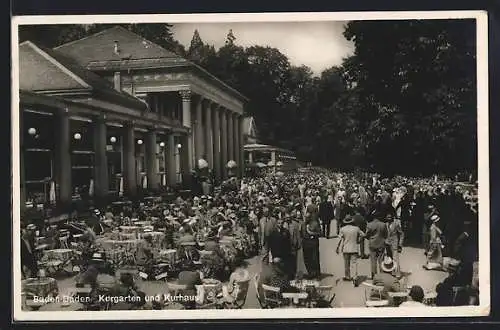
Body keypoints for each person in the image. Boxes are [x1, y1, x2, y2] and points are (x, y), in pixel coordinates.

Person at [336, 215, 365, 284]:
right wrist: (359, 240)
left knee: (346, 263)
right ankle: (355, 277)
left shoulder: (342, 229)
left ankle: (347, 276)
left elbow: (339, 239)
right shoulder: (356, 228)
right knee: (354, 263)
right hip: (354, 247)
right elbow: (363, 235)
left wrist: (337, 247)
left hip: (346, 248)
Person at [366, 212, 389, 278]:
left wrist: (370, 238)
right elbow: (386, 235)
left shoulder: (369, 225)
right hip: (381, 243)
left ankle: (374, 276)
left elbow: (367, 235)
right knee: (381, 260)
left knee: (373, 260)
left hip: (372, 243)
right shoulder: (383, 224)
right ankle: (381, 275)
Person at [302, 214, 322, 278]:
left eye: (307, 217)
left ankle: (317, 273)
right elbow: (301, 233)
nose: (306, 219)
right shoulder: (303, 225)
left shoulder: (315, 224)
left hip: (313, 243)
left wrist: (312, 234)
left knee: (315, 259)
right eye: (305, 217)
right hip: (305, 243)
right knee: (307, 259)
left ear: (310, 218)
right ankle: (310, 273)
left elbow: (320, 233)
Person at [385, 212, 404, 276]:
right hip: (387, 243)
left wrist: (400, 244)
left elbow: (401, 234)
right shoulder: (385, 224)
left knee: (395, 258)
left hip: (394, 243)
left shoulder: (396, 224)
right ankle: (391, 272)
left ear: (392, 217)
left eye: (390, 217)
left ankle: (398, 274)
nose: (389, 218)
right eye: (388, 217)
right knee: (389, 259)